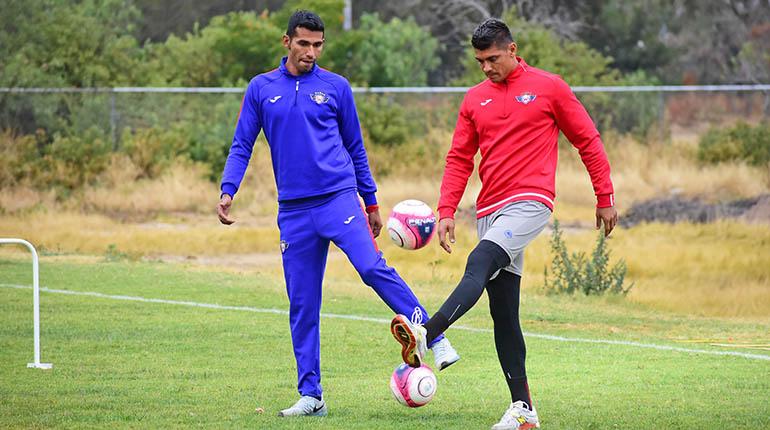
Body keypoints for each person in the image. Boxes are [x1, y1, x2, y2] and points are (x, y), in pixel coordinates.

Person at [217, 10, 459, 418]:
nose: (311, 52)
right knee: (302, 303)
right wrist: (228, 189)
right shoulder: (261, 88)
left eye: (318, 45)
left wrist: (372, 202)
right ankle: (311, 396)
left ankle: (434, 337)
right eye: (303, 43)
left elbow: (355, 147)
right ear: (287, 42)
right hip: (294, 212)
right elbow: (242, 143)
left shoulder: (336, 87)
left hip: (339, 199)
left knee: (371, 267)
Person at [390, 18, 618, 430]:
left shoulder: (550, 87)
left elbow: (588, 140)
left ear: (512, 50)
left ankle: (428, 333)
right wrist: (446, 210)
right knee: (504, 313)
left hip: (531, 202)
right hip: (489, 210)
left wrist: (605, 197)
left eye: (493, 58)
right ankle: (524, 410)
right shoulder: (474, 99)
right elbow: (459, 158)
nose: (486, 67)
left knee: (479, 262)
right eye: (480, 61)